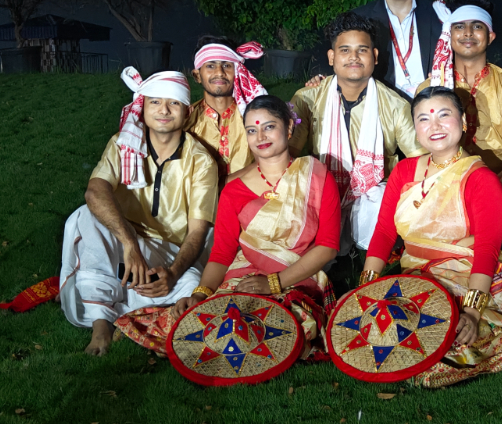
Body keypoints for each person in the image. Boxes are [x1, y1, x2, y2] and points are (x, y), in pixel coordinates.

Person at [115, 95, 340, 361]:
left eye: (269, 126)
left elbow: (327, 247)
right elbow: (222, 254)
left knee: (283, 319)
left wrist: (273, 283)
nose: (261, 136)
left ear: (289, 128)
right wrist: (201, 294)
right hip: (243, 280)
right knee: (221, 318)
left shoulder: (316, 175)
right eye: (252, 130)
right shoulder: (233, 191)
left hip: (297, 280)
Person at [361, 87, 502, 387]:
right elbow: (384, 232)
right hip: (414, 274)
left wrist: (472, 312)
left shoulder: (480, 179)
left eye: (444, 115)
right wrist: (365, 289)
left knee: (449, 335)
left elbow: (487, 249)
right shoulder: (404, 171)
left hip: (466, 275)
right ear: (416, 130)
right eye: (423, 119)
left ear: (463, 123)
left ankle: (490, 328)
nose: (434, 126)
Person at [59, 68, 218, 356]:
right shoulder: (123, 143)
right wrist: (130, 243)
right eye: (155, 102)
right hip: (120, 244)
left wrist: (172, 273)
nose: (163, 111)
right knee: (86, 216)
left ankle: (131, 305)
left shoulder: (201, 160)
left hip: (169, 252)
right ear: (142, 108)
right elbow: (95, 191)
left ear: (186, 111)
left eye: (173, 103)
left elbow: (197, 232)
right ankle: (101, 325)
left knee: (192, 288)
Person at [289, 12, 424, 252]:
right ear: (331, 57)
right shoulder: (308, 98)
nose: (353, 57)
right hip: (324, 190)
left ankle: (376, 253)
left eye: (362, 50)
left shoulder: (395, 104)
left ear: (374, 56)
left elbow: (420, 160)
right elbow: (287, 152)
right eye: (344, 50)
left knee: (386, 197)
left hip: (374, 194)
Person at [307, 0, 442, 100]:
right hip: (382, 108)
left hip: (431, 107)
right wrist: (321, 76)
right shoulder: (361, 18)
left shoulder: (438, 13)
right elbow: (336, 52)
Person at [417, 0, 502, 185]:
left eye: (477, 26)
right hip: (445, 188)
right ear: (448, 34)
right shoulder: (430, 87)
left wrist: (491, 190)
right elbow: (423, 152)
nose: (468, 32)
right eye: (459, 26)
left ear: (490, 36)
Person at [187, 36, 266, 183]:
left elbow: (270, 161)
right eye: (210, 66)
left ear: (237, 71)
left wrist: (224, 183)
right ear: (197, 75)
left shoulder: (253, 116)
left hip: (248, 198)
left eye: (227, 65)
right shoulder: (186, 119)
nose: (219, 72)